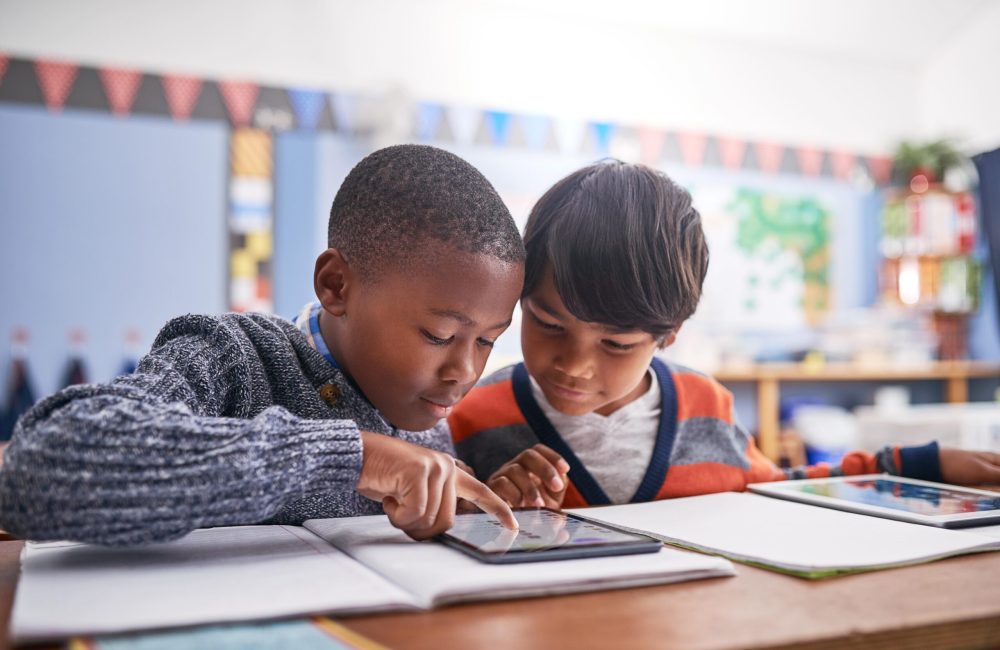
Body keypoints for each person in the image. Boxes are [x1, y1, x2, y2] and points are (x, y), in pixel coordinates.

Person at [0, 144, 523, 544]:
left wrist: (475, 505)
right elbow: (39, 466)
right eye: (439, 336)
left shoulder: (427, 420)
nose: (464, 371)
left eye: (487, 343)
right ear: (337, 286)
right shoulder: (233, 357)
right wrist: (352, 457)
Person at [449, 160, 1000, 509]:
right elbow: (429, 523)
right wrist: (483, 510)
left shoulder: (705, 406)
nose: (575, 364)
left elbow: (783, 489)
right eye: (547, 323)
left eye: (616, 344)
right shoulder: (472, 418)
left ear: (669, 335)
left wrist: (909, 467)